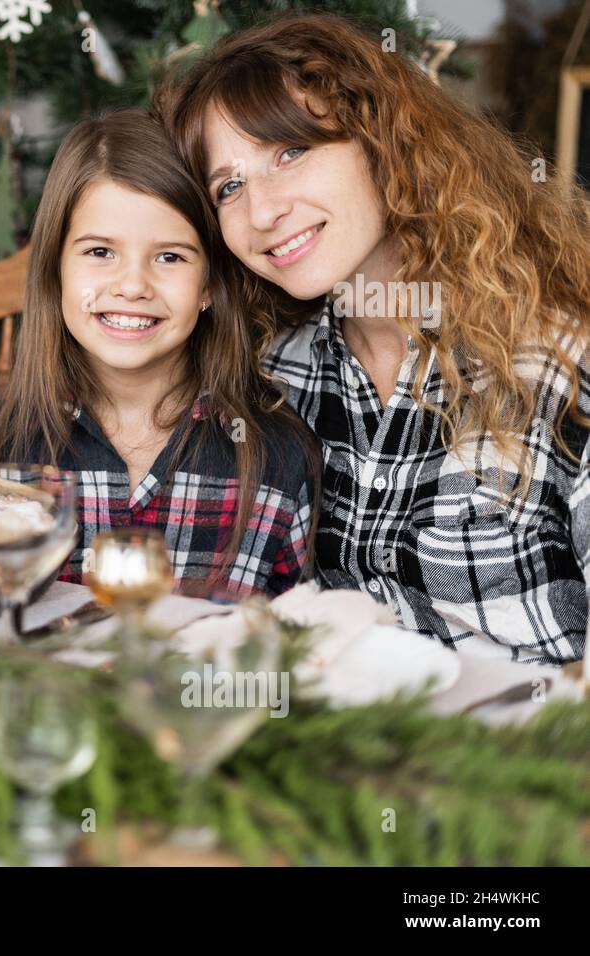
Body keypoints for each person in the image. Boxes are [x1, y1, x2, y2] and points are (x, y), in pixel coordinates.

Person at [165, 12, 590, 662]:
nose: (263, 211)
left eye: (291, 151)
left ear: (381, 143)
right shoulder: (279, 371)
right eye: (229, 186)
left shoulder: (560, 359)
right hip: (335, 746)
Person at [0, 108, 318, 600]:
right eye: (100, 252)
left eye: (169, 257)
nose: (133, 286)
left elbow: (299, 646)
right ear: (56, 272)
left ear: (208, 286)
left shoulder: (279, 456)